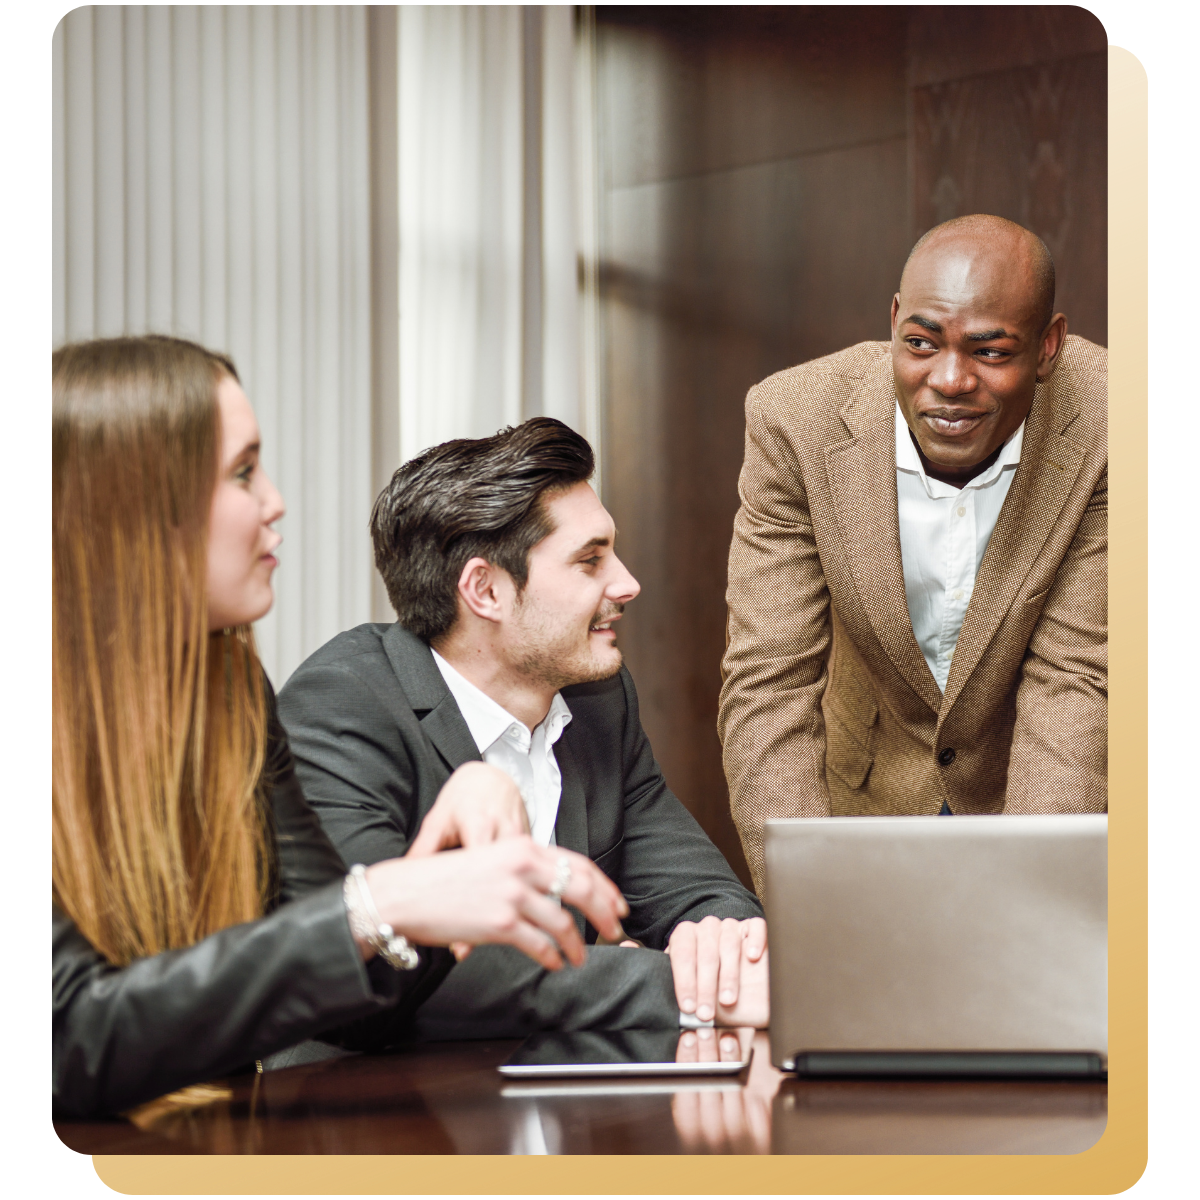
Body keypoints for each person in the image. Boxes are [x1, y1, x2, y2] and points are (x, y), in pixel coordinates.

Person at [51, 337, 627, 1117]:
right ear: (134, 504)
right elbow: (78, 1040)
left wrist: (430, 872)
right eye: (243, 473)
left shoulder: (228, 690)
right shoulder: (337, 691)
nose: (275, 501)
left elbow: (355, 1005)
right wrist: (379, 904)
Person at [277, 419, 768, 1039]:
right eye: (590, 561)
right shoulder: (344, 704)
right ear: (485, 590)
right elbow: (396, 971)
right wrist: (680, 991)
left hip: (569, 1102)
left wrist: (721, 949)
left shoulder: (597, 700)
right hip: (377, 1113)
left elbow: (700, 895)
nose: (627, 583)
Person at [719, 214, 1107, 893]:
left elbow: (1075, 682)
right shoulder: (795, 421)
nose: (950, 380)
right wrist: (809, 902)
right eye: (922, 343)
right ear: (895, 319)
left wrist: (1031, 918)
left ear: (1048, 347)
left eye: (990, 352)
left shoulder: (1114, 424)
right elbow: (768, 684)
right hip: (869, 792)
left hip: (1048, 788)